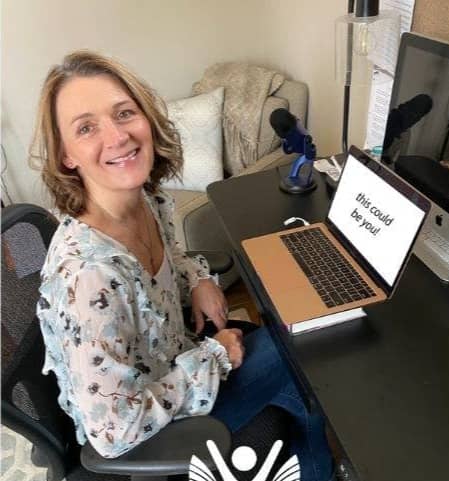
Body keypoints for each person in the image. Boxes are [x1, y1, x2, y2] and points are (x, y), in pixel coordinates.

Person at [33, 50, 334, 481]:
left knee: (301, 382)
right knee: (305, 345)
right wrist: (217, 357)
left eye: (124, 113)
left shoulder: (146, 200)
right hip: (157, 426)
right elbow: (114, 432)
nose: (117, 136)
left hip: (176, 359)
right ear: (67, 156)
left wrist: (197, 280)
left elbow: (172, 256)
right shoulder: (89, 276)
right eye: (86, 127)